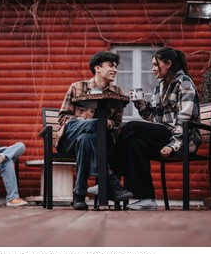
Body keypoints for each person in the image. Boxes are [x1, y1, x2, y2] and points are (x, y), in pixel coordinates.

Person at [111, 47, 201, 210]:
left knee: (130, 127)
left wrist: (174, 144)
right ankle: (146, 199)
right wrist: (141, 104)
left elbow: (186, 118)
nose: (152, 69)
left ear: (168, 64)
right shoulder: (160, 87)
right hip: (166, 133)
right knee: (136, 144)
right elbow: (154, 117)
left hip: (182, 138)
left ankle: (112, 178)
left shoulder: (184, 82)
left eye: (155, 65)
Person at [56, 51, 133, 210]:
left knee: (86, 140)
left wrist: (107, 123)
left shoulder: (118, 92)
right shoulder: (77, 87)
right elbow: (63, 117)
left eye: (116, 66)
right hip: (70, 137)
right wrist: (88, 122)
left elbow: (117, 122)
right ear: (97, 68)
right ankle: (111, 181)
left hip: (99, 141)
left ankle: (79, 195)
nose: (115, 70)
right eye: (111, 65)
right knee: (94, 125)